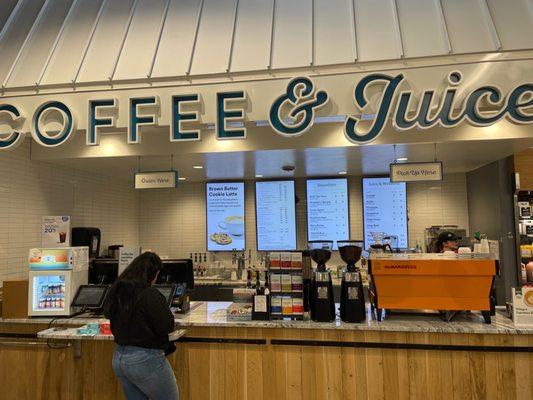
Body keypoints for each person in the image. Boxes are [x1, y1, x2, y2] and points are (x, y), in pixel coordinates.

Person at [104, 252, 179, 400]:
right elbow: (166, 325)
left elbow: (108, 314)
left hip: (119, 358)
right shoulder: (149, 294)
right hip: (145, 359)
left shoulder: (118, 290)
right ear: (152, 274)